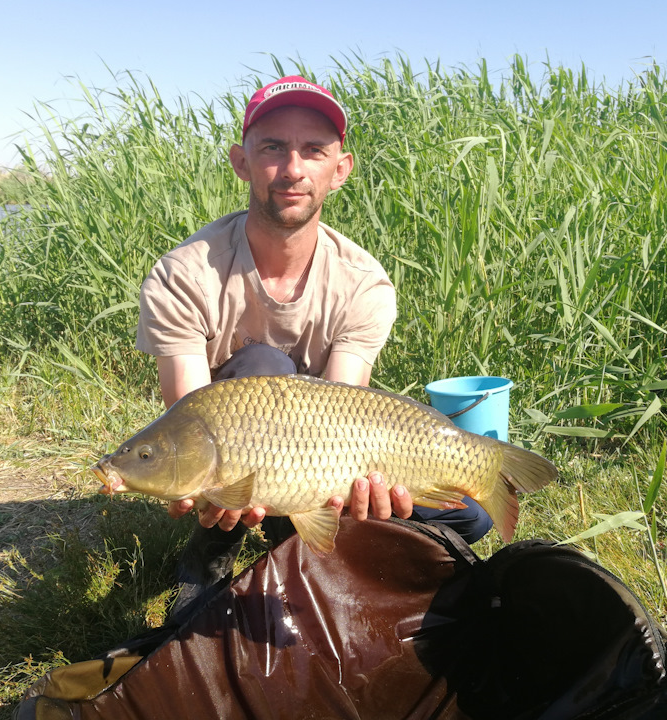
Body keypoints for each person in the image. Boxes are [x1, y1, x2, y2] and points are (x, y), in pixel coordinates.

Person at [135, 76, 492, 616]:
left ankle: (304, 544)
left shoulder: (363, 281)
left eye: (314, 151)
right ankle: (212, 552)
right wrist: (209, 489)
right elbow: (189, 412)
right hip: (234, 452)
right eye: (273, 147)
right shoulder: (184, 273)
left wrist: (358, 491)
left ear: (339, 169)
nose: (293, 169)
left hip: (317, 454)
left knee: (471, 517)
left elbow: (344, 409)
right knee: (263, 364)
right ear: (241, 161)